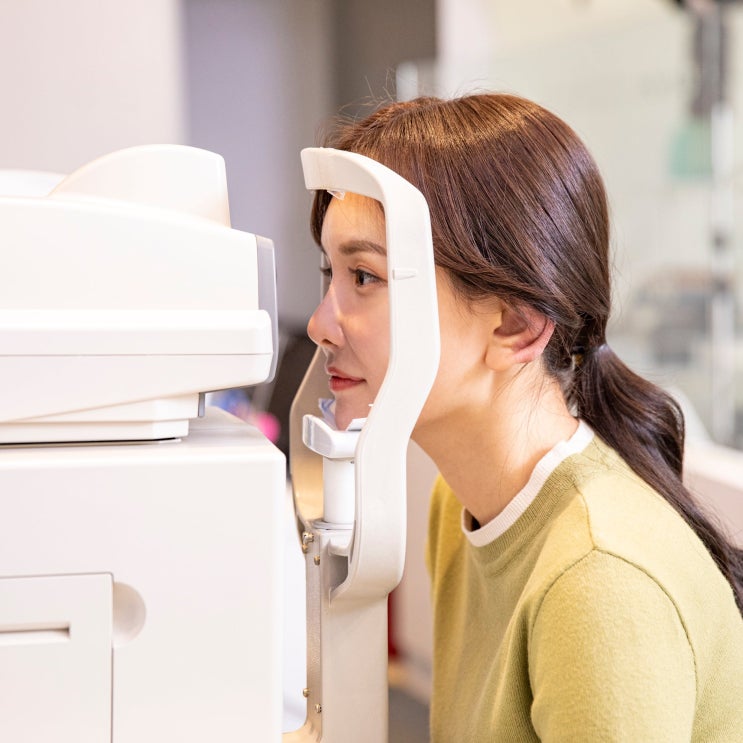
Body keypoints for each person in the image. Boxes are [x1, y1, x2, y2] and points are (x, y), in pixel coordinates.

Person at [305, 93, 743, 741]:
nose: (319, 325)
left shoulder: (599, 583)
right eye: (330, 272)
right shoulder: (458, 502)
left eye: (365, 277)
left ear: (514, 324)